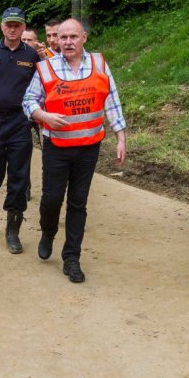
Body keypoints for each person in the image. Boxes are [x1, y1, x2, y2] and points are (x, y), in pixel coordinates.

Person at [22, 18, 126, 283]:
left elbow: (111, 100)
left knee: (78, 203)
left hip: (89, 146)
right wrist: (43, 116)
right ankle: (47, 232)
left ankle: (72, 258)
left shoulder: (100, 64)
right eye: (63, 37)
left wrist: (120, 136)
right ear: (57, 40)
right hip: (57, 146)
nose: (67, 42)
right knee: (51, 199)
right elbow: (28, 100)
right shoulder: (45, 68)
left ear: (84, 38)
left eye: (73, 37)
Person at [0, 7, 40, 254]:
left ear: (24, 28)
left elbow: (43, 87)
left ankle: (13, 229)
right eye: (8, 25)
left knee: (19, 178)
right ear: (1, 26)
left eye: (17, 25)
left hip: (20, 123)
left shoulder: (33, 56)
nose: (13, 29)